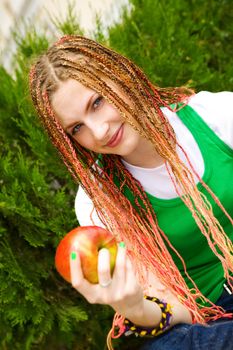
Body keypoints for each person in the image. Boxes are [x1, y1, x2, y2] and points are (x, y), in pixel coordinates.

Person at [29, 35, 233, 350]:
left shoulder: (215, 116)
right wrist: (134, 307)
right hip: (210, 319)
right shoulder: (98, 201)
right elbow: (176, 310)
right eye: (77, 128)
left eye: (97, 103)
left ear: (120, 76)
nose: (98, 131)